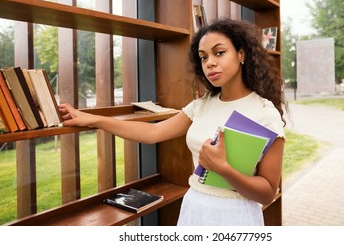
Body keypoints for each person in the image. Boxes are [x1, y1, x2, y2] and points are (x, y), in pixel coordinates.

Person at [59, 18, 287, 226]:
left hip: (235, 217)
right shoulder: (202, 104)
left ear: (241, 54)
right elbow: (153, 133)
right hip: (194, 207)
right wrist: (94, 119)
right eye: (204, 57)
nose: (209, 63)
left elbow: (268, 192)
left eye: (219, 53)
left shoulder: (264, 113)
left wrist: (223, 169)